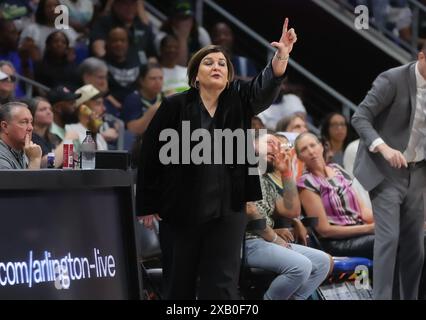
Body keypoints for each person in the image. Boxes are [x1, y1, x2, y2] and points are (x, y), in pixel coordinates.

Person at [136, 19, 297, 299]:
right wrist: (148, 202)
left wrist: (281, 56)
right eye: (209, 63)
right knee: (179, 282)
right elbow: (150, 152)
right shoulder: (175, 105)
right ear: (195, 76)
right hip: (181, 208)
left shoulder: (239, 98)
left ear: (229, 76)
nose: (217, 67)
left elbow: (262, 90)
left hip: (228, 208)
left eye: (222, 64)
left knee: (221, 283)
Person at [351, 44, 426, 300]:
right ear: (421, 56)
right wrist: (383, 148)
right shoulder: (393, 79)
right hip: (385, 170)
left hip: (418, 172)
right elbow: (360, 116)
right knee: (389, 238)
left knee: (415, 245)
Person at [245, 133, 331, 300]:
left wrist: (286, 172)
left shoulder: (265, 178)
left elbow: (292, 211)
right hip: (244, 241)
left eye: (279, 146)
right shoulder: (244, 168)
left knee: (322, 263)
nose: (276, 149)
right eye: (270, 142)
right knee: (301, 266)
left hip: (262, 241)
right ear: (252, 144)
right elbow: (249, 209)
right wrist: (275, 238)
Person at [295, 132, 375, 259]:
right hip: (336, 243)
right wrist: (368, 229)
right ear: (299, 157)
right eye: (304, 149)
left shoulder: (337, 169)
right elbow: (324, 231)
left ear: (321, 146)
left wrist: (389, 220)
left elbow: (364, 211)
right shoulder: (305, 182)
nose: (310, 151)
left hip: (362, 232)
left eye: (312, 145)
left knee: (401, 233)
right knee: (386, 241)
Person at [0, 101, 42, 169]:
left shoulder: (25, 152)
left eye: (31, 122)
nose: (30, 128)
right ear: (5, 126)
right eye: (24, 122)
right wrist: (34, 161)